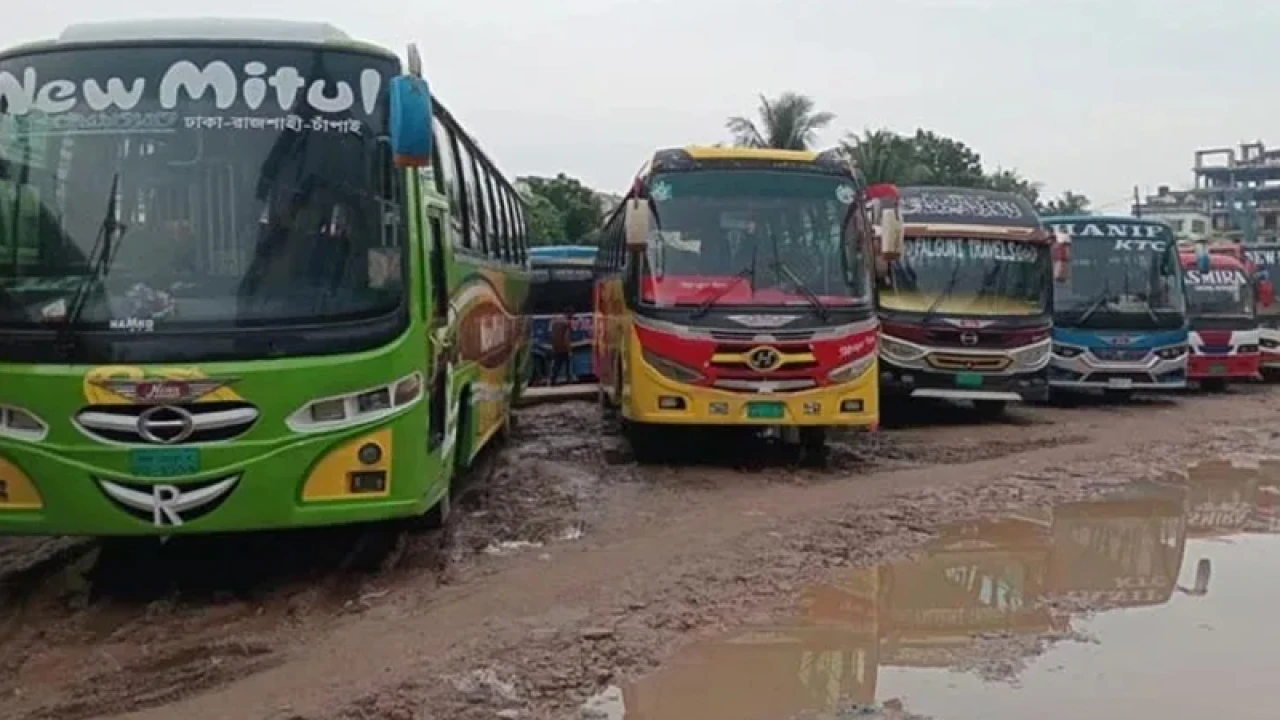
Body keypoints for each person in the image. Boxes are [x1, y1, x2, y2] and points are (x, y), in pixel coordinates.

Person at [547, 307, 575, 386]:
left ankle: (552, 380)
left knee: (556, 365)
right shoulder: (566, 323)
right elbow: (567, 337)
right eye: (572, 316)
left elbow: (550, 334)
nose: (572, 318)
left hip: (556, 347)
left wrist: (553, 345)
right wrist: (569, 349)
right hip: (564, 348)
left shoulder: (554, 321)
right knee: (568, 364)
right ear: (569, 314)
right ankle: (569, 380)